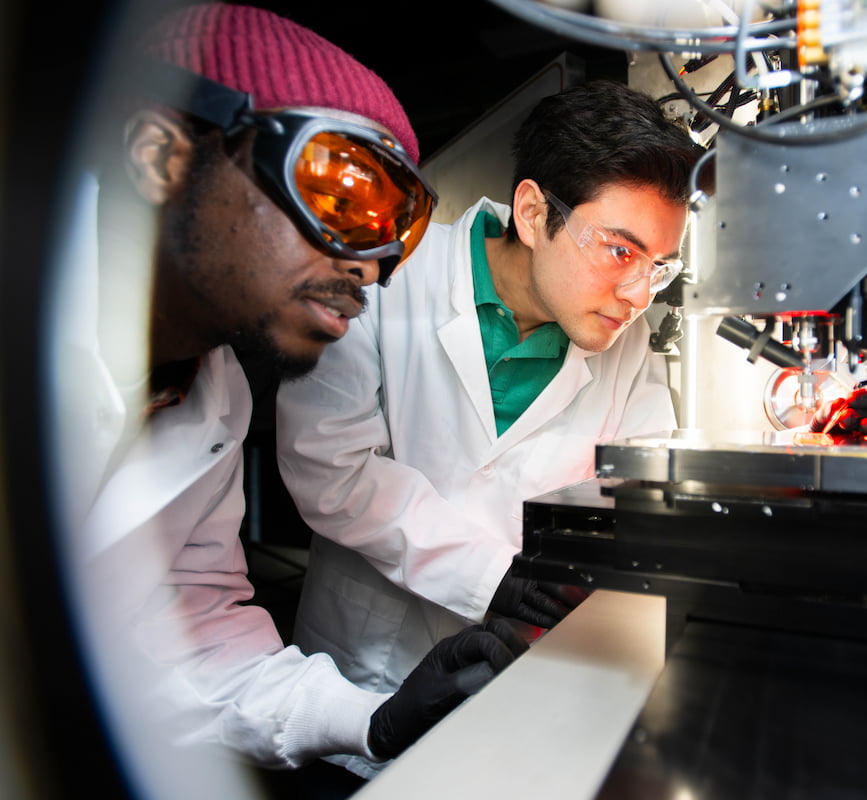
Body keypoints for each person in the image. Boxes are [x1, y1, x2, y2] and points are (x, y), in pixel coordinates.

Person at [51, 2, 526, 791]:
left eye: (395, 229)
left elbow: (190, 635)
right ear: (160, 155)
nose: (369, 268)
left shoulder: (213, 396)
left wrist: (372, 720)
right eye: (338, 193)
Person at [274, 79, 704, 778]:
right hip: (366, 680)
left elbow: (642, 483)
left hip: (520, 692)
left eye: (658, 266)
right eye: (621, 252)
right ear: (533, 213)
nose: (638, 294)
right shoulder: (390, 277)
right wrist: (490, 575)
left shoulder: (627, 341)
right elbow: (329, 468)